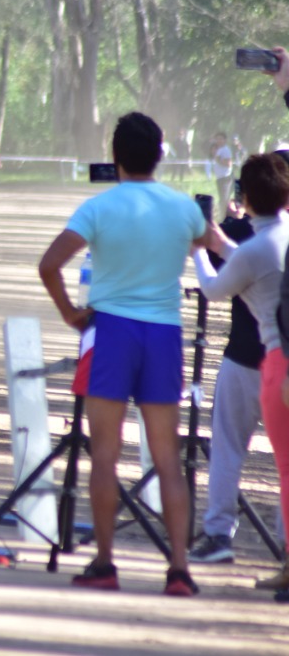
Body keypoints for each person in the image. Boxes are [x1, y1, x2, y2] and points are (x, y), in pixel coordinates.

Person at [37, 111, 204, 597]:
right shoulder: (183, 207)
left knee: (105, 456)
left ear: (115, 157)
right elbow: (216, 247)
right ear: (160, 156)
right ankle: (179, 569)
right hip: (164, 334)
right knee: (168, 458)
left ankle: (106, 563)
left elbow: (49, 264)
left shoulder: (99, 206)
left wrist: (70, 313)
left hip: (111, 330)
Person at [190, 153, 289, 593]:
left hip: (266, 359)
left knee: (230, 448)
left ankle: (218, 534)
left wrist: (199, 252)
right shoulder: (275, 239)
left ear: (244, 197)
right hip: (273, 357)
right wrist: (218, 244)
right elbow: (254, 262)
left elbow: (216, 287)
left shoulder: (250, 246)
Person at [188, 196, 269, 566]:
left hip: (243, 357)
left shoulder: (240, 233)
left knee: (226, 449)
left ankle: (219, 533)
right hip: (280, 361)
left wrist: (222, 225)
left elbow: (212, 276)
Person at [213, 131, 235, 209]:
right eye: (217, 139)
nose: (218, 141)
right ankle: (221, 212)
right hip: (220, 177)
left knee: (224, 199)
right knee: (222, 198)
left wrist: (218, 160)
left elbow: (229, 163)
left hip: (225, 178)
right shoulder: (219, 149)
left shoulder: (226, 150)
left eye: (221, 139)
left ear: (225, 140)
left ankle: (224, 213)